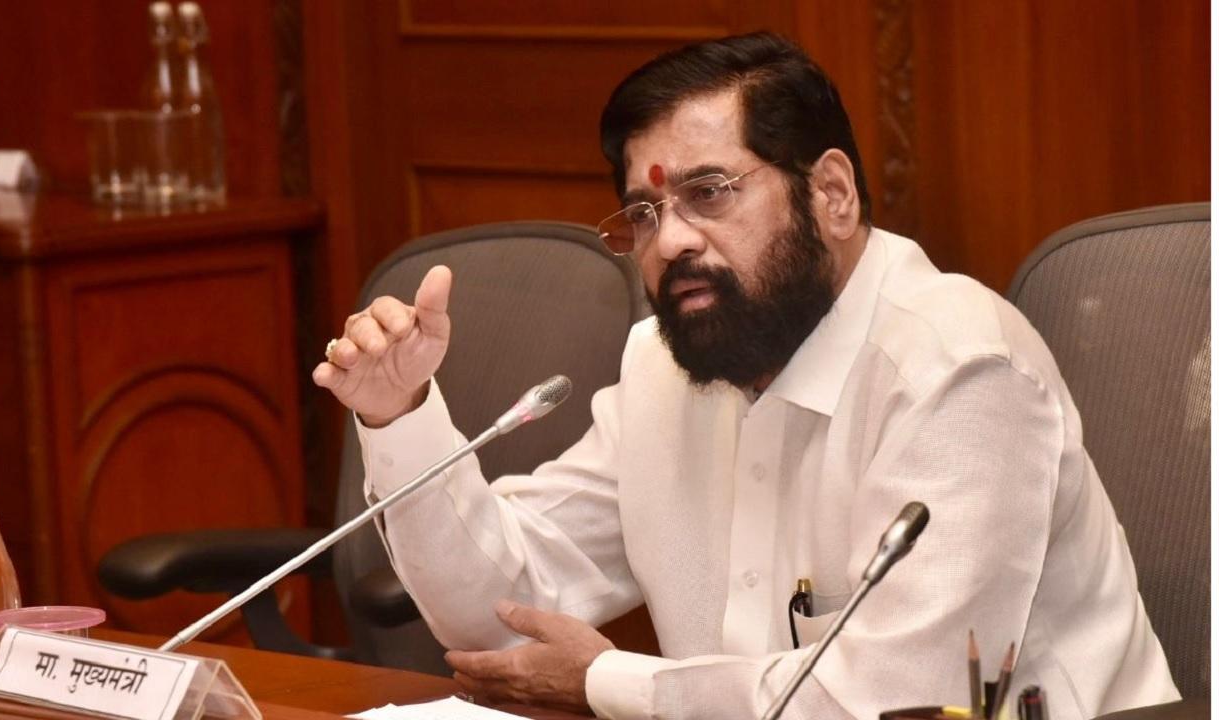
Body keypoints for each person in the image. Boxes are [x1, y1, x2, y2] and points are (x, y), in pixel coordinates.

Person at [313, 32, 1178, 720]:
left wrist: (610, 684)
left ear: (831, 195)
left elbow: (895, 703)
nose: (674, 239)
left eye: (711, 193)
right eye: (647, 212)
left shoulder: (959, 371)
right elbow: (498, 615)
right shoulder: (665, 370)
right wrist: (400, 415)